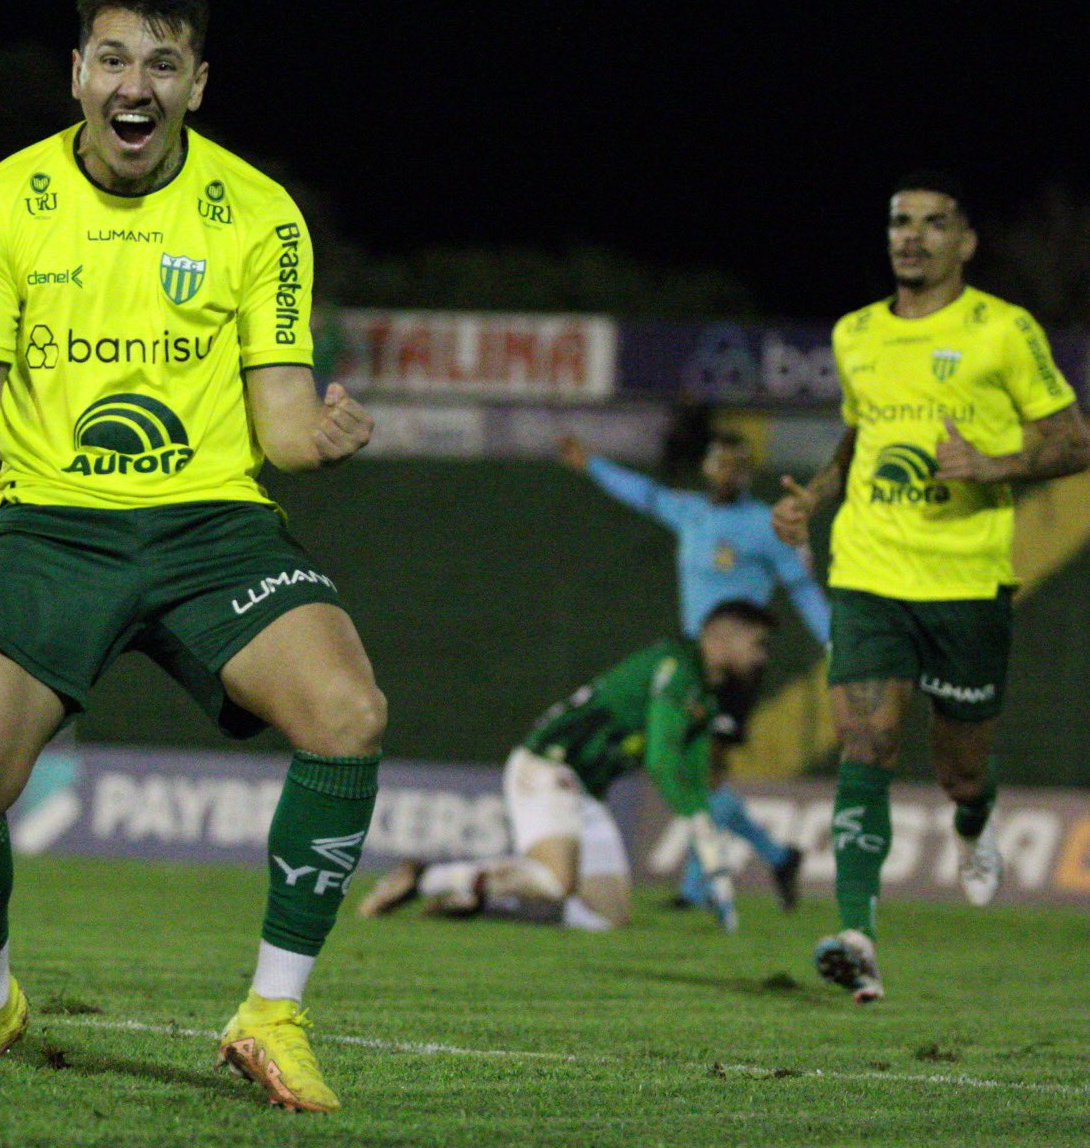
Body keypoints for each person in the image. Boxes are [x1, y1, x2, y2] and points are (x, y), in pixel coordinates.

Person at [0, 0, 378, 1112]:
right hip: (52, 525)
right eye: (112, 57)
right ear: (77, 74)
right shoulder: (0, 203)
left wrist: (326, 434)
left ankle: (274, 1013)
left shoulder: (260, 215)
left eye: (161, 60)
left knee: (349, 713)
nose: (133, 81)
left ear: (197, 83)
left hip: (212, 527)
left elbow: (284, 424)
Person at [774, 173, 1088, 1004]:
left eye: (932, 223)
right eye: (899, 223)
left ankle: (974, 822)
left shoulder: (1002, 331)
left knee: (959, 769)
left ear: (965, 242)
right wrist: (817, 494)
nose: (910, 236)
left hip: (966, 581)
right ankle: (856, 935)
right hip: (871, 571)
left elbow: (1073, 440)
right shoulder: (856, 334)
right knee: (866, 741)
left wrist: (996, 465)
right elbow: (862, 426)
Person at [358, 600, 777, 933]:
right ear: (720, 640)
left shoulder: (706, 690)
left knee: (609, 915)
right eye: (756, 644)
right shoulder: (676, 667)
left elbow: (692, 766)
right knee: (558, 882)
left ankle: (488, 901)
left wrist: (700, 817)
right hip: (548, 767)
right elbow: (662, 759)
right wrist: (696, 820)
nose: (761, 658)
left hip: (586, 791)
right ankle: (427, 877)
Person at [560, 429, 827, 911]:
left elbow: (802, 588)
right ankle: (765, 860)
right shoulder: (690, 511)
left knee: (705, 772)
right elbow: (644, 494)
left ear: (749, 473)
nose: (728, 472)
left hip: (737, 669)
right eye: (720, 463)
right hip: (692, 664)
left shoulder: (763, 525)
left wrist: (834, 641)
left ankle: (709, 881)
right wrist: (591, 466)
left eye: (738, 465)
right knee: (697, 773)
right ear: (706, 467)